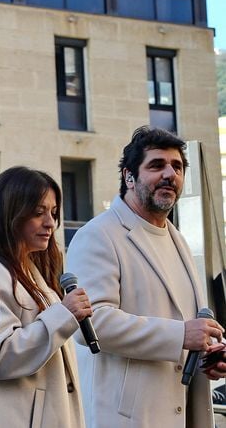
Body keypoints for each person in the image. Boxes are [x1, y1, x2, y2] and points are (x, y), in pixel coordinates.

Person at [67, 126, 226, 428]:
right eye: (156, 165)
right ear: (129, 176)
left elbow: (185, 323)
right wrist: (180, 335)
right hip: (128, 418)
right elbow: (91, 323)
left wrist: (210, 352)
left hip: (185, 410)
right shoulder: (98, 235)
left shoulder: (178, 239)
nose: (170, 174)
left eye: (177, 167)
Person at [0, 166, 88, 428]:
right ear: (11, 213)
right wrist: (64, 315)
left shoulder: (32, 272)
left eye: (54, 213)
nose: (51, 223)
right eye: (38, 212)